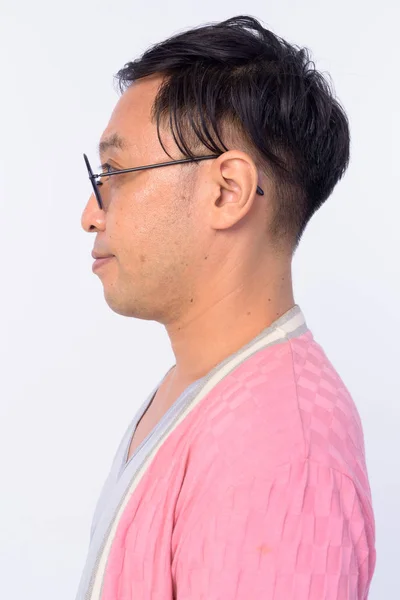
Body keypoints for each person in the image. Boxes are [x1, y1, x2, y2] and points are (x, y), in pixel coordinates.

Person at [77, 15, 376, 600]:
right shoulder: (209, 388)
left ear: (227, 191)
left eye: (114, 173)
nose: (90, 213)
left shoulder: (281, 452)